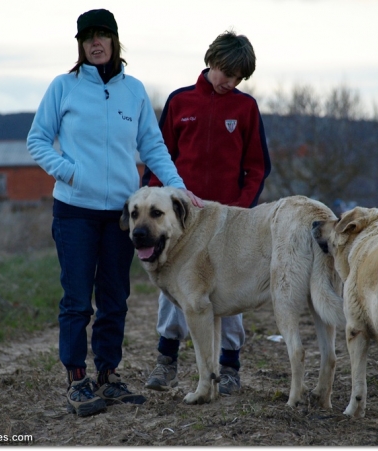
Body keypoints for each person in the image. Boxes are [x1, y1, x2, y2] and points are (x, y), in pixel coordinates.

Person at [27, 8, 202, 417]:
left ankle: (108, 375)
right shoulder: (63, 87)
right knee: (76, 299)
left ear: (115, 40)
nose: (95, 43)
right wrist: (69, 172)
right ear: (81, 45)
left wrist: (176, 188)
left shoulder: (134, 90)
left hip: (123, 217)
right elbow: (37, 140)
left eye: (102, 35)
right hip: (74, 211)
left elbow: (153, 147)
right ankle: (77, 379)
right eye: (88, 38)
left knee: (115, 298)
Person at [142, 30, 271, 396]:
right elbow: (158, 157)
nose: (230, 83)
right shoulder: (180, 102)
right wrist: (156, 203)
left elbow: (257, 167)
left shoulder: (245, 109)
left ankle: (228, 367)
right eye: (226, 73)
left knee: (228, 291)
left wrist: (241, 210)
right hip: (179, 224)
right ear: (212, 61)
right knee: (176, 290)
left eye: (238, 78)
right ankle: (166, 360)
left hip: (227, 224)